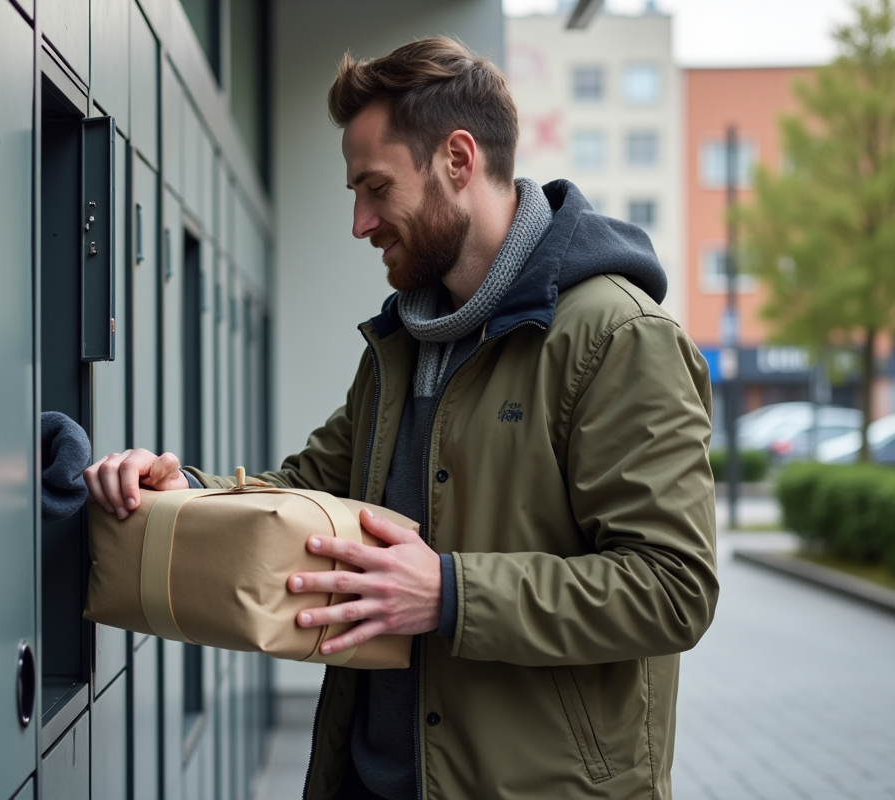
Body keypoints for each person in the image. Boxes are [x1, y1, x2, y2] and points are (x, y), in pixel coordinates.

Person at [85, 36, 717, 800]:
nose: (360, 222)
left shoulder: (618, 339)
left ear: (457, 160)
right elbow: (304, 488)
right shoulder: (404, 344)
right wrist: (175, 487)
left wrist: (450, 594)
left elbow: (673, 585)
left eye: (375, 188)